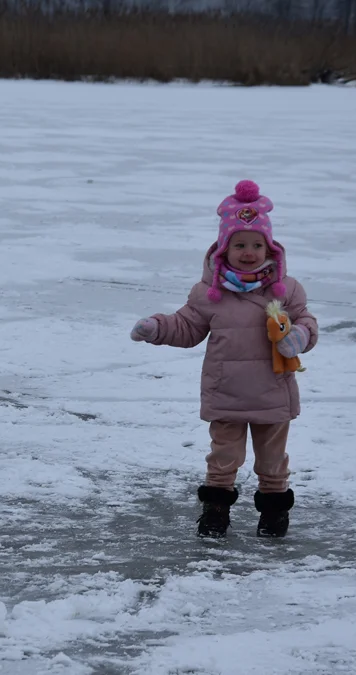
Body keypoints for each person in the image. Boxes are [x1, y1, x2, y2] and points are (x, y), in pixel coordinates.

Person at [130, 180, 317, 539]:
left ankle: (274, 515)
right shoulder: (209, 294)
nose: (249, 252)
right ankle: (215, 512)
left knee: (273, 461)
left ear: (270, 248)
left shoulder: (286, 289)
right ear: (223, 249)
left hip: (272, 391)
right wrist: (156, 328)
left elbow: (306, 321)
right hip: (226, 392)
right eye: (240, 244)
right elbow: (186, 327)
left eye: (257, 244)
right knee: (222, 459)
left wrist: (300, 336)